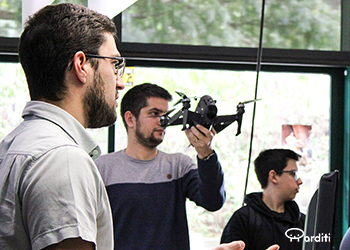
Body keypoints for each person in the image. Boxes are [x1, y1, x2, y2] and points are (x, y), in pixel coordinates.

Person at [0, 3, 126, 249]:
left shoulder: (13, 146)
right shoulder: (62, 159)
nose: (120, 82)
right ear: (81, 66)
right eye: (114, 64)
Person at [95, 83, 226, 249]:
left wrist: (205, 152)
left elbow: (213, 201)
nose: (163, 121)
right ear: (130, 119)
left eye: (166, 114)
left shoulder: (179, 166)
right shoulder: (102, 168)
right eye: (154, 114)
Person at [220, 149, 305, 250]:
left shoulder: (303, 221)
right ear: (273, 176)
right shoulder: (244, 219)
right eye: (293, 174)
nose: (300, 181)